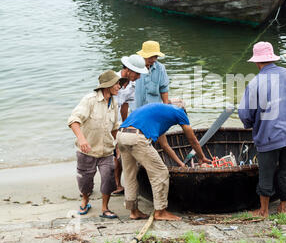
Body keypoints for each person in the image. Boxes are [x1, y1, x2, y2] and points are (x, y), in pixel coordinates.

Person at [238, 42, 286, 218]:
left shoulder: (255, 83)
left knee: (266, 173)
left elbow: (245, 113)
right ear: (272, 58)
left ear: (257, 62)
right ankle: (282, 208)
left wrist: (252, 124)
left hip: (268, 135)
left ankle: (263, 211)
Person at [117, 100, 211, 220]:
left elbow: (165, 146)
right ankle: (160, 212)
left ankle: (133, 211)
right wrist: (202, 157)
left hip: (121, 135)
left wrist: (181, 164)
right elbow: (193, 140)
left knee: (130, 175)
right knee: (160, 172)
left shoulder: (159, 113)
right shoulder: (179, 111)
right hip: (136, 137)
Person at [68, 70, 121, 219]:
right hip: (87, 150)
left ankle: (105, 208)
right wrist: (82, 140)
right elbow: (74, 120)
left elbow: (115, 126)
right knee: (85, 181)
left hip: (107, 151)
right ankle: (85, 200)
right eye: (117, 84)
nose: (119, 87)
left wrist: (118, 145)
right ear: (108, 85)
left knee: (108, 179)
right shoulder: (89, 100)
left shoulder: (114, 103)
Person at [134, 40, 184, 167]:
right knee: (140, 142)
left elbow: (164, 89)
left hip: (155, 112)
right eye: (151, 56)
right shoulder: (135, 68)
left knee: (163, 142)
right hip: (138, 113)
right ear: (144, 55)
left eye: (155, 57)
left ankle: (180, 164)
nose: (154, 59)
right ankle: (143, 166)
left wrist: (165, 109)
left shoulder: (160, 68)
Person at [111, 54, 149, 196]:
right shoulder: (111, 79)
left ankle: (117, 184)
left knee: (119, 152)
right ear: (127, 70)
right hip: (106, 120)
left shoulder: (132, 84)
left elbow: (125, 106)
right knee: (108, 152)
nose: (139, 77)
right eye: (137, 73)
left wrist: (125, 125)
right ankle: (113, 184)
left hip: (119, 121)